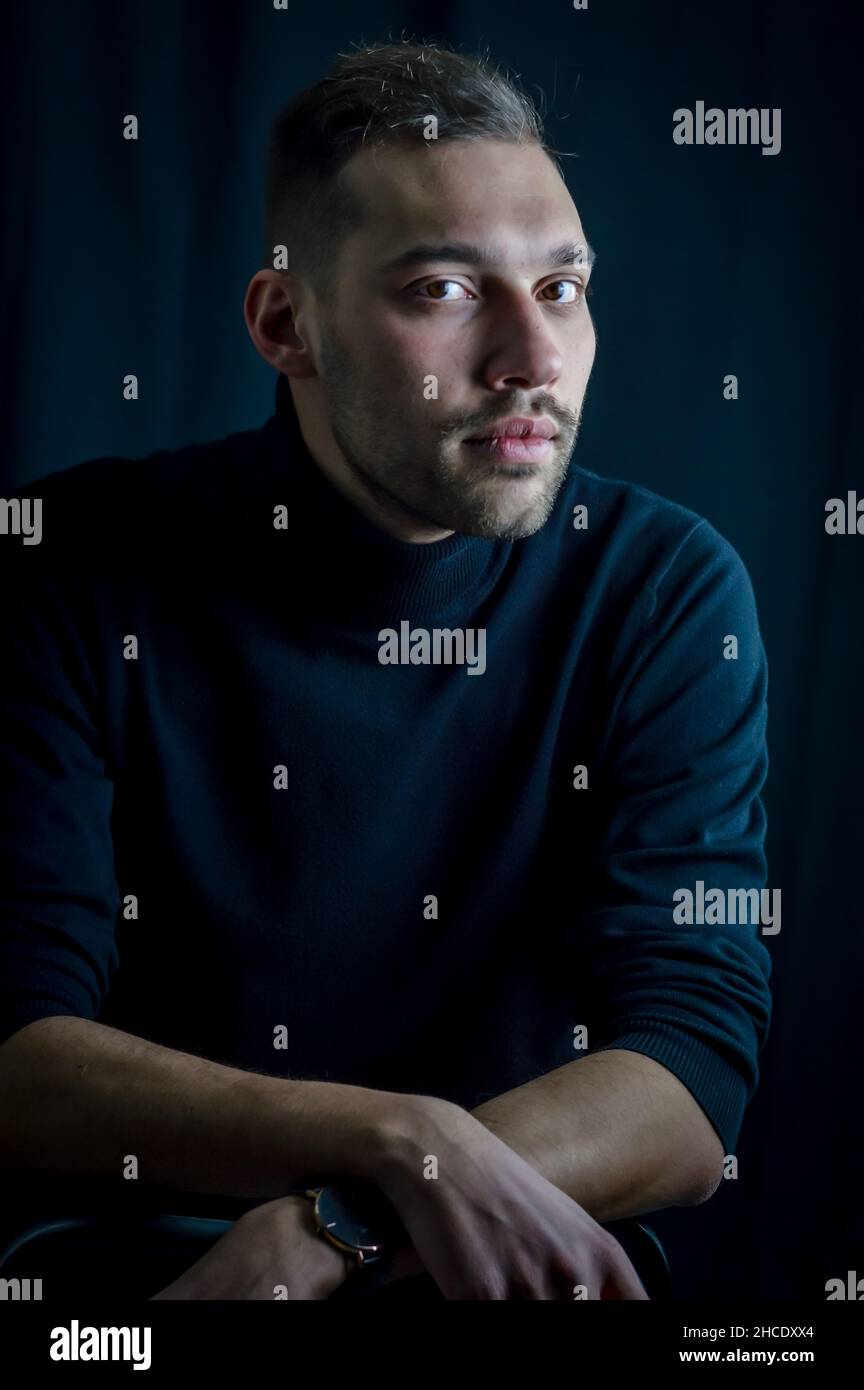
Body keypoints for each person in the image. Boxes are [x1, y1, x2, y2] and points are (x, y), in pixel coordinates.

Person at [0, 40, 771, 1300]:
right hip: (134, 1288)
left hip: (494, 1279)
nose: (533, 357)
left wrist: (340, 1220)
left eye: (564, 288)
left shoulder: (665, 589)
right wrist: (399, 1143)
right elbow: (16, 1054)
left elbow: (693, 1076)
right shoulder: (64, 568)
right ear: (284, 322)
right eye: (447, 289)